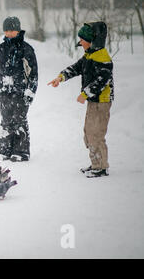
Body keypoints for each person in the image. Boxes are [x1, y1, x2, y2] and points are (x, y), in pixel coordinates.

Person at [48, 21, 114, 178]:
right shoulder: (89, 55)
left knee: (96, 134)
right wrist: (61, 77)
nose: (80, 43)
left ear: (92, 41)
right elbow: (76, 68)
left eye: (83, 40)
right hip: (93, 101)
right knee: (88, 133)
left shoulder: (102, 58)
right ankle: (95, 163)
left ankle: (101, 167)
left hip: (101, 102)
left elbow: (101, 80)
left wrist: (85, 94)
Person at [0, 16, 38, 162]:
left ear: (18, 30)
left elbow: (33, 73)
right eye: (6, 30)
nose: (9, 33)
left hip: (20, 92)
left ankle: (21, 151)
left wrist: (30, 91)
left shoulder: (26, 49)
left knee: (19, 121)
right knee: (6, 122)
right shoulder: (0, 49)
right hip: (4, 91)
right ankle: (5, 150)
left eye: (11, 30)